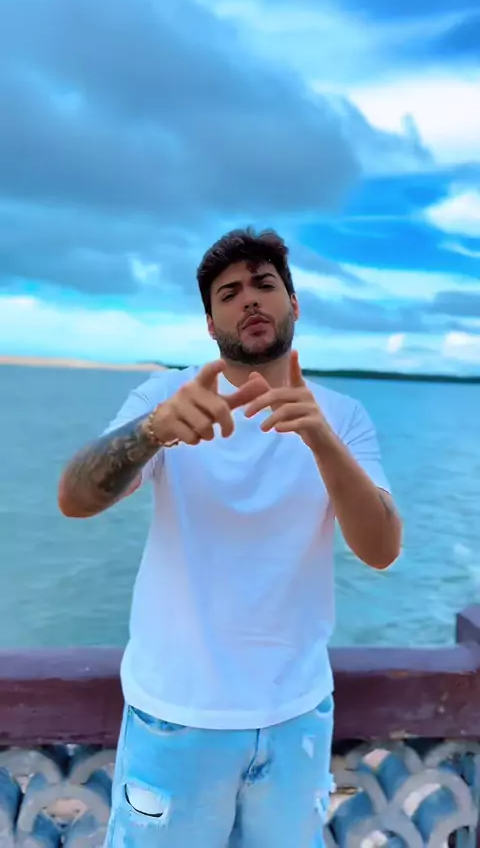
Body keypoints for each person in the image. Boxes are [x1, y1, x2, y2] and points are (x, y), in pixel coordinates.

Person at [58, 228, 402, 848]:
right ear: (210, 322)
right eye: (229, 293)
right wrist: (152, 431)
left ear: (293, 304)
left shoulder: (342, 416)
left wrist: (322, 441)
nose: (249, 300)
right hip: (175, 715)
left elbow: (381, 550)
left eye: (264, 284)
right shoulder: (166, 398)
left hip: (297, 715)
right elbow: (75, 499)